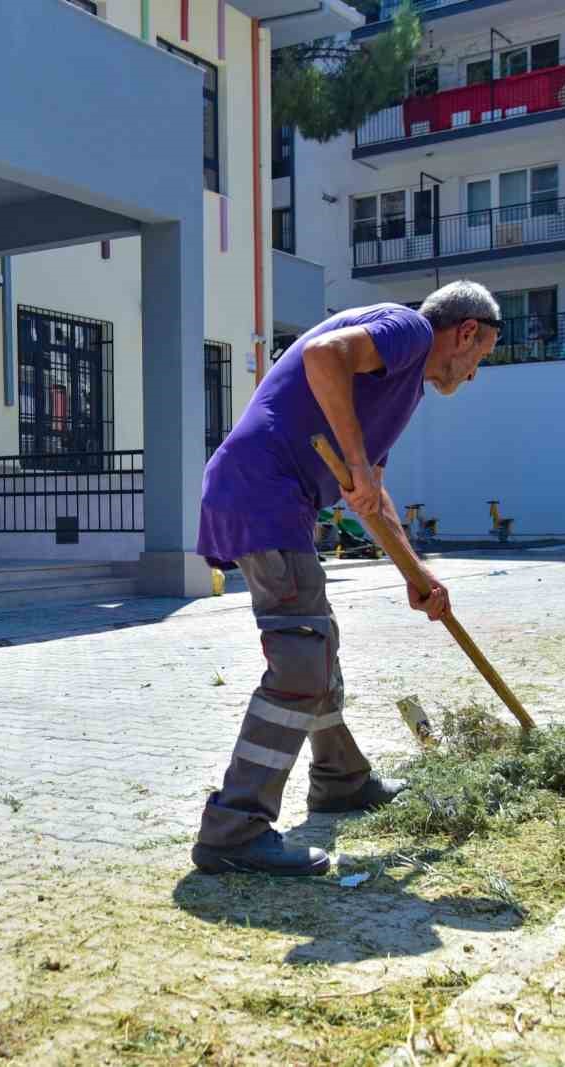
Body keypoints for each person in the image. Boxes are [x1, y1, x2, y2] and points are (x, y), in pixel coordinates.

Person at [190, 281, 502, 877]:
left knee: (317, 645)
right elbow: (322, 356)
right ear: (465, 332)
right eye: (480, 355)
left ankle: (340, 779)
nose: (474, 372)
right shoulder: (406, 330)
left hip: (275, 498)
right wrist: (355, 461)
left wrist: (418, 575)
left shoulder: (401, 387)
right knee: (300, 658)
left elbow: (372, 500)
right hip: (262, 491)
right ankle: (233, 829)